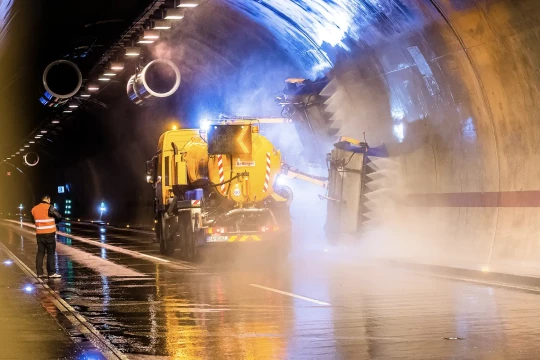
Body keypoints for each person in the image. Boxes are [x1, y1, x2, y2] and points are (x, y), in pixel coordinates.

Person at [31, 195, 62, 278]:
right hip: (49, 233)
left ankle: (39, 273)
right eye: (50, 200)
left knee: (40, 252)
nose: (50, 201)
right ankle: (51, 273)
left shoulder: (34, 208)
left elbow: (32, 220)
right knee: (51, 253)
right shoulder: (49, 207)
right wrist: (55, 222)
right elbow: (59, 217)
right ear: (48, 199)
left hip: (39, 234)